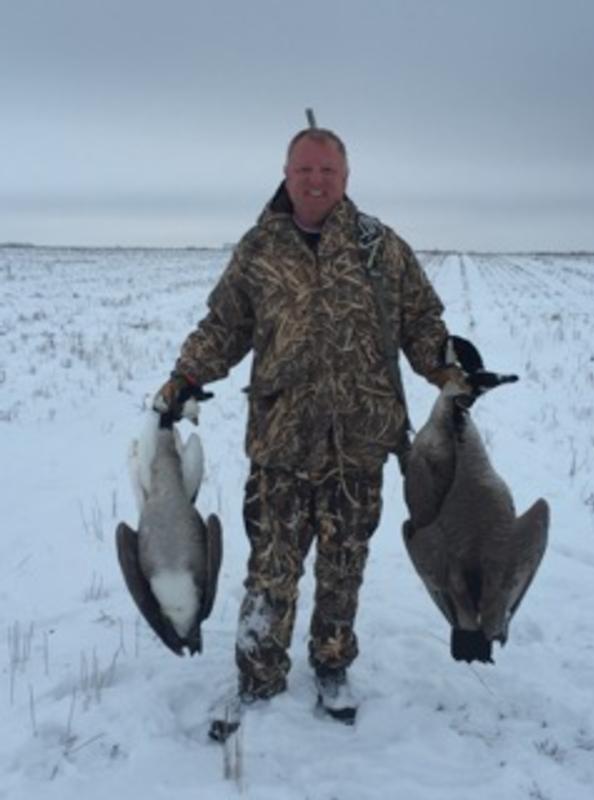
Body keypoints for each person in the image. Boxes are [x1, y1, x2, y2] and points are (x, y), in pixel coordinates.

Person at [153, 127, 459, 739]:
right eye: (304, 171)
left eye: (328, 171)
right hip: (281, 445)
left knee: (344, 568)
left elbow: (422, 321)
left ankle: (332, 666)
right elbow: (225, 326)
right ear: (286, 174)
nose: (316, 181)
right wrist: (185, 375)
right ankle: (259, 674)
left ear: (346, 177)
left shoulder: (379, 246)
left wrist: (449, 370)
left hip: (361, 442)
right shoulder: (260, 247)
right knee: (272, 570)